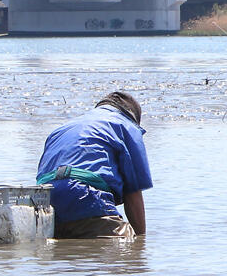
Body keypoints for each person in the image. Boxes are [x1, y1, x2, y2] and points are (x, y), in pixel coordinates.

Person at [37, 91, 152, 238]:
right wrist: (140, 241)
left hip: (45, 201)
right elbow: (133, 194)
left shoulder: (61, 129)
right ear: (133, 118)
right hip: (84, 194)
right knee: (126, 244)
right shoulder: (127, 127)